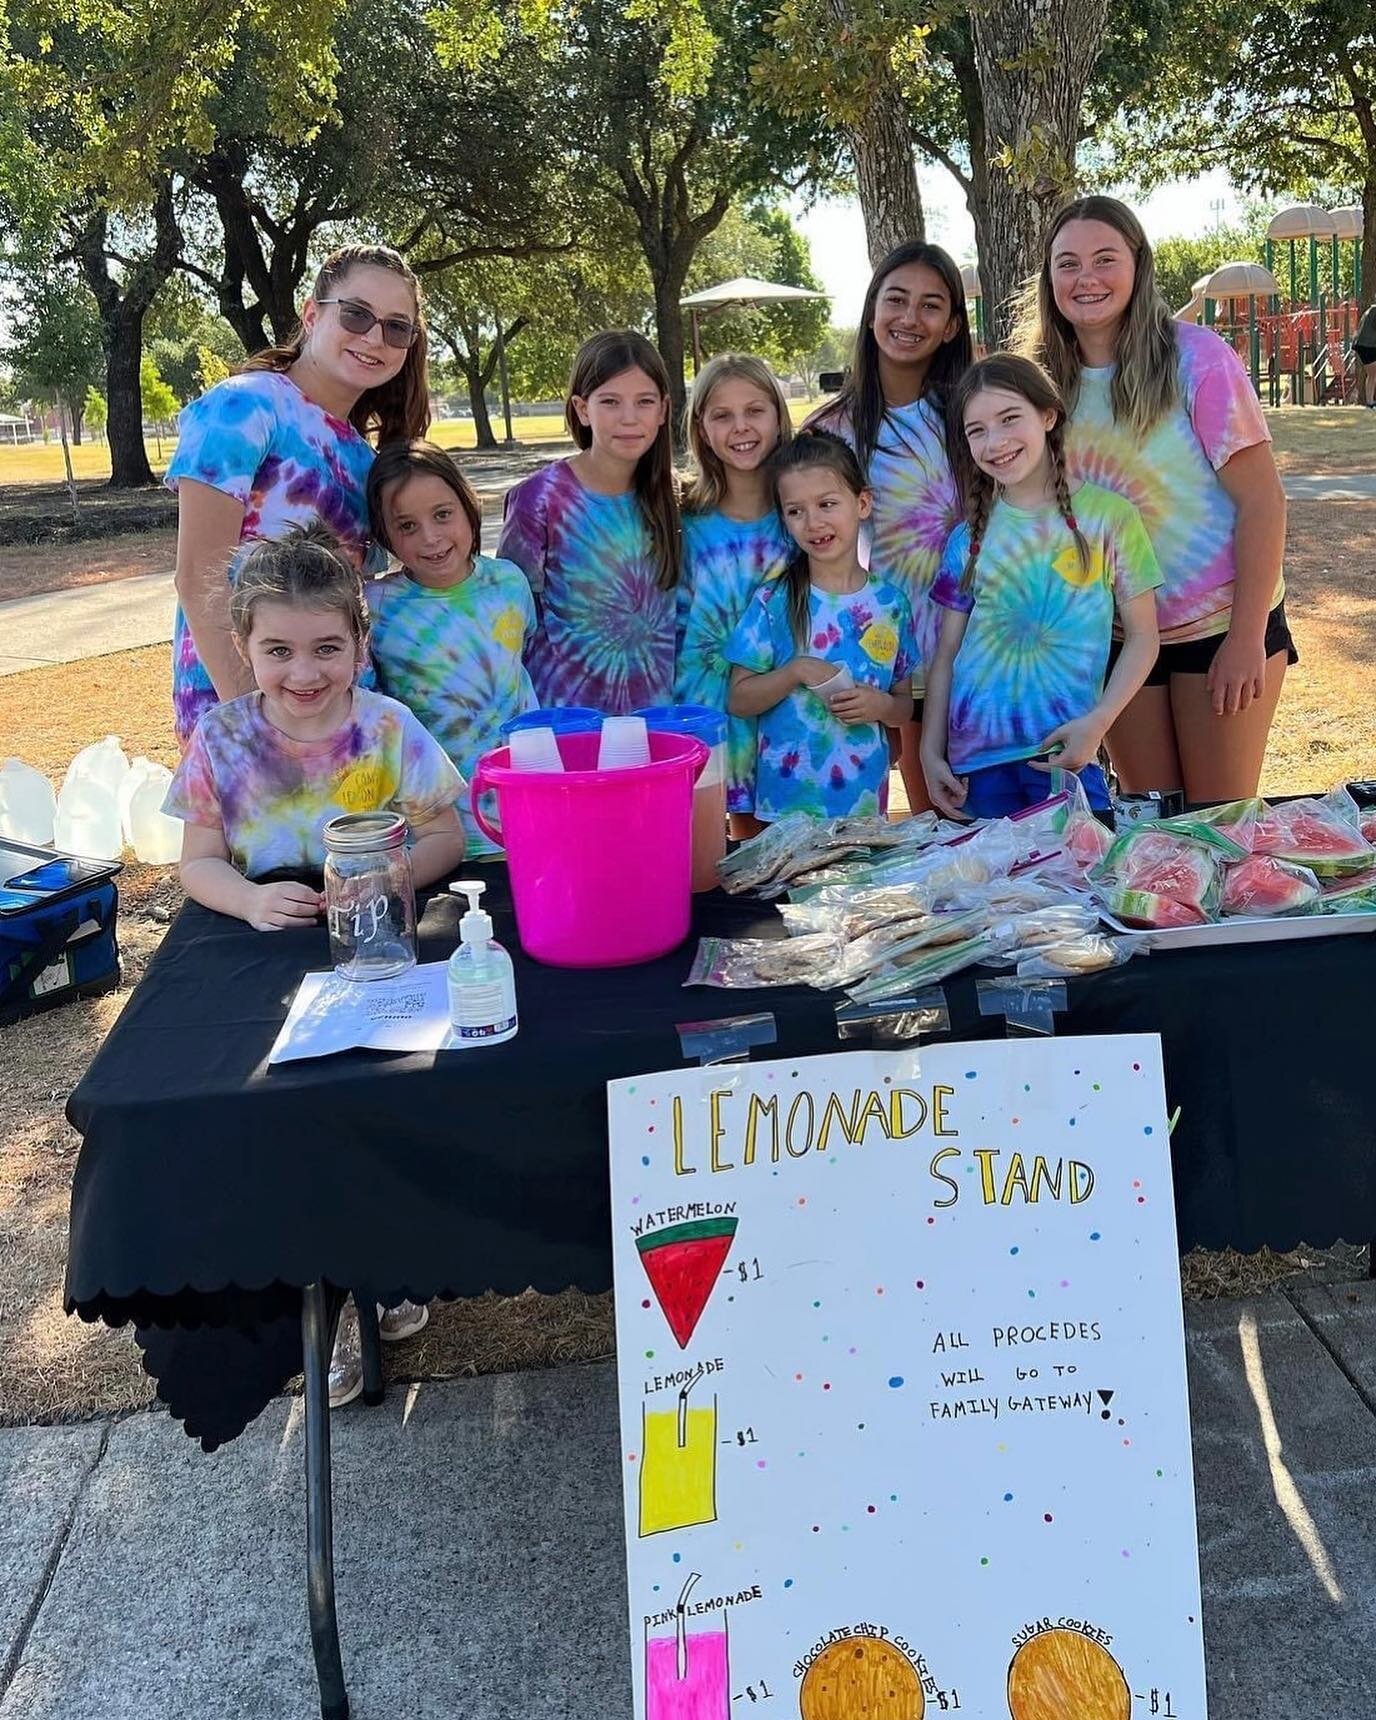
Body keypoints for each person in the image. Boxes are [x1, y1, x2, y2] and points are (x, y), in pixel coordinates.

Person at [1014, 195, 1295, 802]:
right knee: (1151, 828)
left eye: (1104, 259)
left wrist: (1247, 639)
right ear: (1049, 277)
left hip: (1220, 624)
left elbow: (1263, 503)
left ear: (1138, 266)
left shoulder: (1196, 359)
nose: (1086, 278)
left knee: (1217, 826)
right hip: (1119, 640)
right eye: (1068, 263)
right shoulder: (1035, 384)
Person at [166, 244, 430, 748]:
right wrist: (258, 720)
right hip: (239, 706)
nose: (375, 338)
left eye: (397, 327)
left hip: (344, 708)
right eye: (356, 315)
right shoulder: (243, 406)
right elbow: (198, 575)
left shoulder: (364, 459)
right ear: (312, 314)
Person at [165, 525, 465, 925]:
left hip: (376, 922)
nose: (304, 674)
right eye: (279, 651)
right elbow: (199, 862)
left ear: (359, 642)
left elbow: (445, 839)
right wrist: (248, 901)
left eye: (327, 648)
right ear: (243, 647)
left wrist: (388, 880)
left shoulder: (390, 727)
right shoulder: (219, 737)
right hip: (266, 930)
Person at [921, 355, 1162, 822]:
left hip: (1066, 754)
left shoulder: (1110, 518)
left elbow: (1142, 636)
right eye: (977, 430)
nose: (995, 442)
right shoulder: (967, 538)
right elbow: (946, 653)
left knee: (1080, 893)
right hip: (976, 764)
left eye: (1010, 418)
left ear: (1047, 416)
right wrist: (931, 753)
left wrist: (1100, 722)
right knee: (997, 897)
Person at [809, 242, 973, 810]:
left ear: (952, 326)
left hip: (977, 649)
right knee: (928, 832)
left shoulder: (974, 415)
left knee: (991, 832)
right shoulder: (830, 433)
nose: (909, 318)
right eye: (896, 299)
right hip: (881, 658)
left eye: (931, 306)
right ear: (872, 309)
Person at [726, 431, 917, 822]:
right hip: (784, 814)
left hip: (863, 809)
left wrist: (881, 706)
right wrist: (796, 670)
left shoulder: (891, 604)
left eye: (827, 504)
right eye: (796, 511)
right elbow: (739, 699)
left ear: (862, 503)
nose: (813, 523)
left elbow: (903, 706)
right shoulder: (773, 601)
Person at [366, 441, 537, 857]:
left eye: (443, 514)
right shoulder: (375, 607)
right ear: (384, 534)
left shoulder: (509, 583)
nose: (431, 537)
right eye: (406, 526)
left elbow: (520, 657)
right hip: (432, 827)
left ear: (468, 505)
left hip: (525, 808)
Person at [497, 330, 680, 711]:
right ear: (582, 409)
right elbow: (510, 619)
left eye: (644, 401)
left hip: (656, 719)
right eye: (610, 401)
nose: (629, 418)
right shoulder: (538, 499)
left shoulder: (675, 498)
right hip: (568, 720)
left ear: (662, 410)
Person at [675, 353, 795, 838]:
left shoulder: (802, 512)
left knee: (768, 844)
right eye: (722, 415)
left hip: (783, 706)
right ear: (701, 429)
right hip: (703, 703)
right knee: (706, 854)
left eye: (754, 410)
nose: (740, 427)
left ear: (778, 416)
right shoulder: (683, 519)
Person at [1354, 300, 1376, 407]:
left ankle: (1370, 402)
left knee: (1372, 374)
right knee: (1373, 373)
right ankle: (1370, 401)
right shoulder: (1374, 310)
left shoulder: (1371, 309)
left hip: (1363, 344)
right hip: (1368, 345)